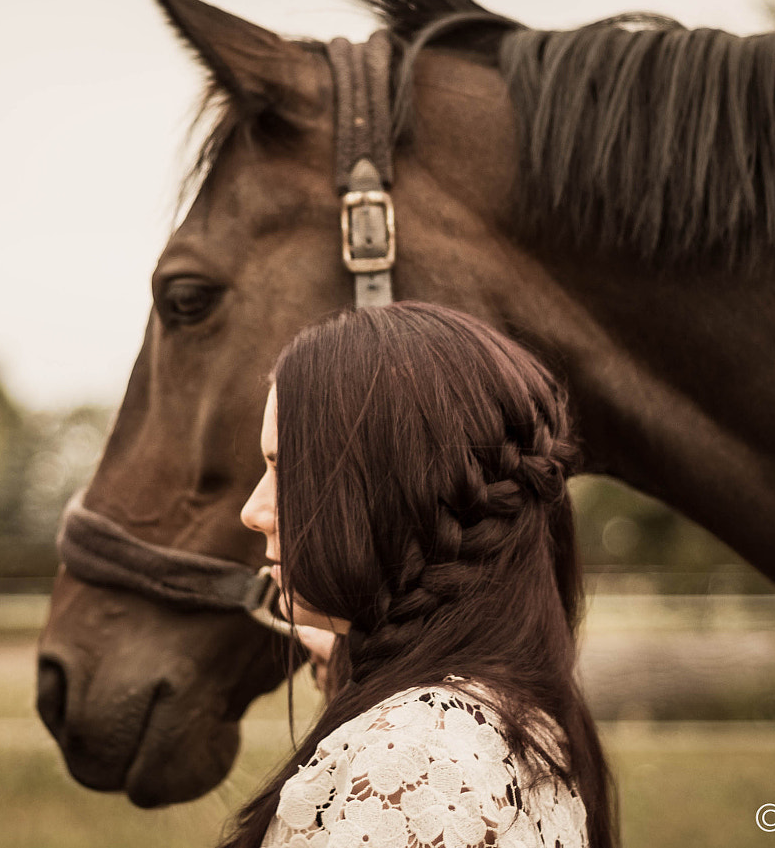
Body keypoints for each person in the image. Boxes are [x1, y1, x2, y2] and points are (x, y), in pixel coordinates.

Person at [225, 300, 615, 848]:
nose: (254, 510)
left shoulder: (417, 762)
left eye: (285, 469)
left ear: (388, 498)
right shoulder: (502, 721)